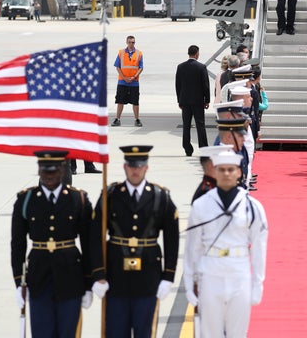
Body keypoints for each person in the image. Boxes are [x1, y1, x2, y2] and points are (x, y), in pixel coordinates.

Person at [90, 145, 180, 338]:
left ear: (146, 167)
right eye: (131, 166)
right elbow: (95, 236)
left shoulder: (160, 196)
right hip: (115, 278)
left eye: (140, 166)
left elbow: (172, 239)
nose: (135, 170)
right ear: (124, 167)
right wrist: (98, 274)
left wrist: (168, 276)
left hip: (148, 278)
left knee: (145, 332)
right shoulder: (111, 195)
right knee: (115, 332)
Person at [183, 151, 268, 338]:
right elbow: (192, 248)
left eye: (231, 169)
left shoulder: (252, 206)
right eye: (222, 170)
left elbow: (259, 248)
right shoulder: (202, 205)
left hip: (239, 271)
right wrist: (189, 284)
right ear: (215, 171)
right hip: (211, 271)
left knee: (237, 332)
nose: (227, 174)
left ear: (239, 172)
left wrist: (258, 283)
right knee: (210, 332)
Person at [10, 150, 94, 338]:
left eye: (53, 171)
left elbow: (89, 245)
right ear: (39, 170)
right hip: (39, 279)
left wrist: (89, 283)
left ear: (63, 170)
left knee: (68, 333)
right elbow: (18, 245)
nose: (49, 176)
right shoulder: (26, 200)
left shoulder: (77, 199)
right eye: (45, 171)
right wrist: (18, 282)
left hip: (71, 278)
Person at [175, 45, 211, 156]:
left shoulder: (180, 67)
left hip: (185, 101)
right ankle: (203, 148)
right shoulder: (201, 67)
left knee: (186, 125)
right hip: (198, 101)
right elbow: (205, 85)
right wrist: (207, 100)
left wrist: (179, 100)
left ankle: (187, 149)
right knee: (200, 125)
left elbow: (178, 85)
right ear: (196, 54)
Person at [113, 35, 143, 127]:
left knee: (135, 102)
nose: (131, 44)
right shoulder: (121, 52)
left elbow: (141, 68)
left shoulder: (139, 53)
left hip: (134, 82)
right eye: (130, 42)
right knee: (120, 101)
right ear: (127, 42)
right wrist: (124, 77)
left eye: (133, 42)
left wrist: (134, 77)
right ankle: (117, 119)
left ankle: (137, 119)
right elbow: (117, 67)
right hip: (122, 81)